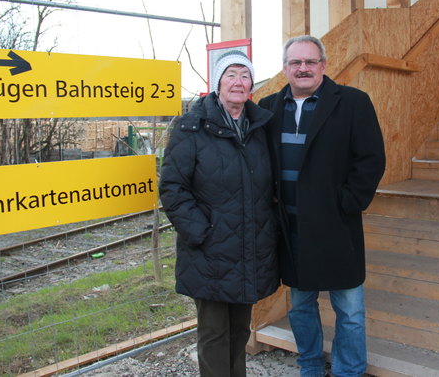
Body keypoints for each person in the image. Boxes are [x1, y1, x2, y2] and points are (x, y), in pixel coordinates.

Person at [258, 36, 386, 377]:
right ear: (285, 68)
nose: (303, 68)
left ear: (323, 66)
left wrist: (346, 203)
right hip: (292, 228)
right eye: (295, 63)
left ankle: (349, 371)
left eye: (310, 62)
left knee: (350, 309)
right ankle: (311, 365)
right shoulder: (269, 108)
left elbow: (371, 160)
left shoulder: (353, 103)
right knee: (300, 305)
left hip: (335, 224)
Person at [159, 50, 279, 377]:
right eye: (231, 75)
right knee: (214, 335)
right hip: (210, 251)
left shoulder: (259, 127)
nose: (238, 82)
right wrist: (202, 231)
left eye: (244, 75)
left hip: (249, 249)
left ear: (252, 84)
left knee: (240, 330)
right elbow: (172, 187)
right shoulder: (192, 127)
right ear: (218, 83)